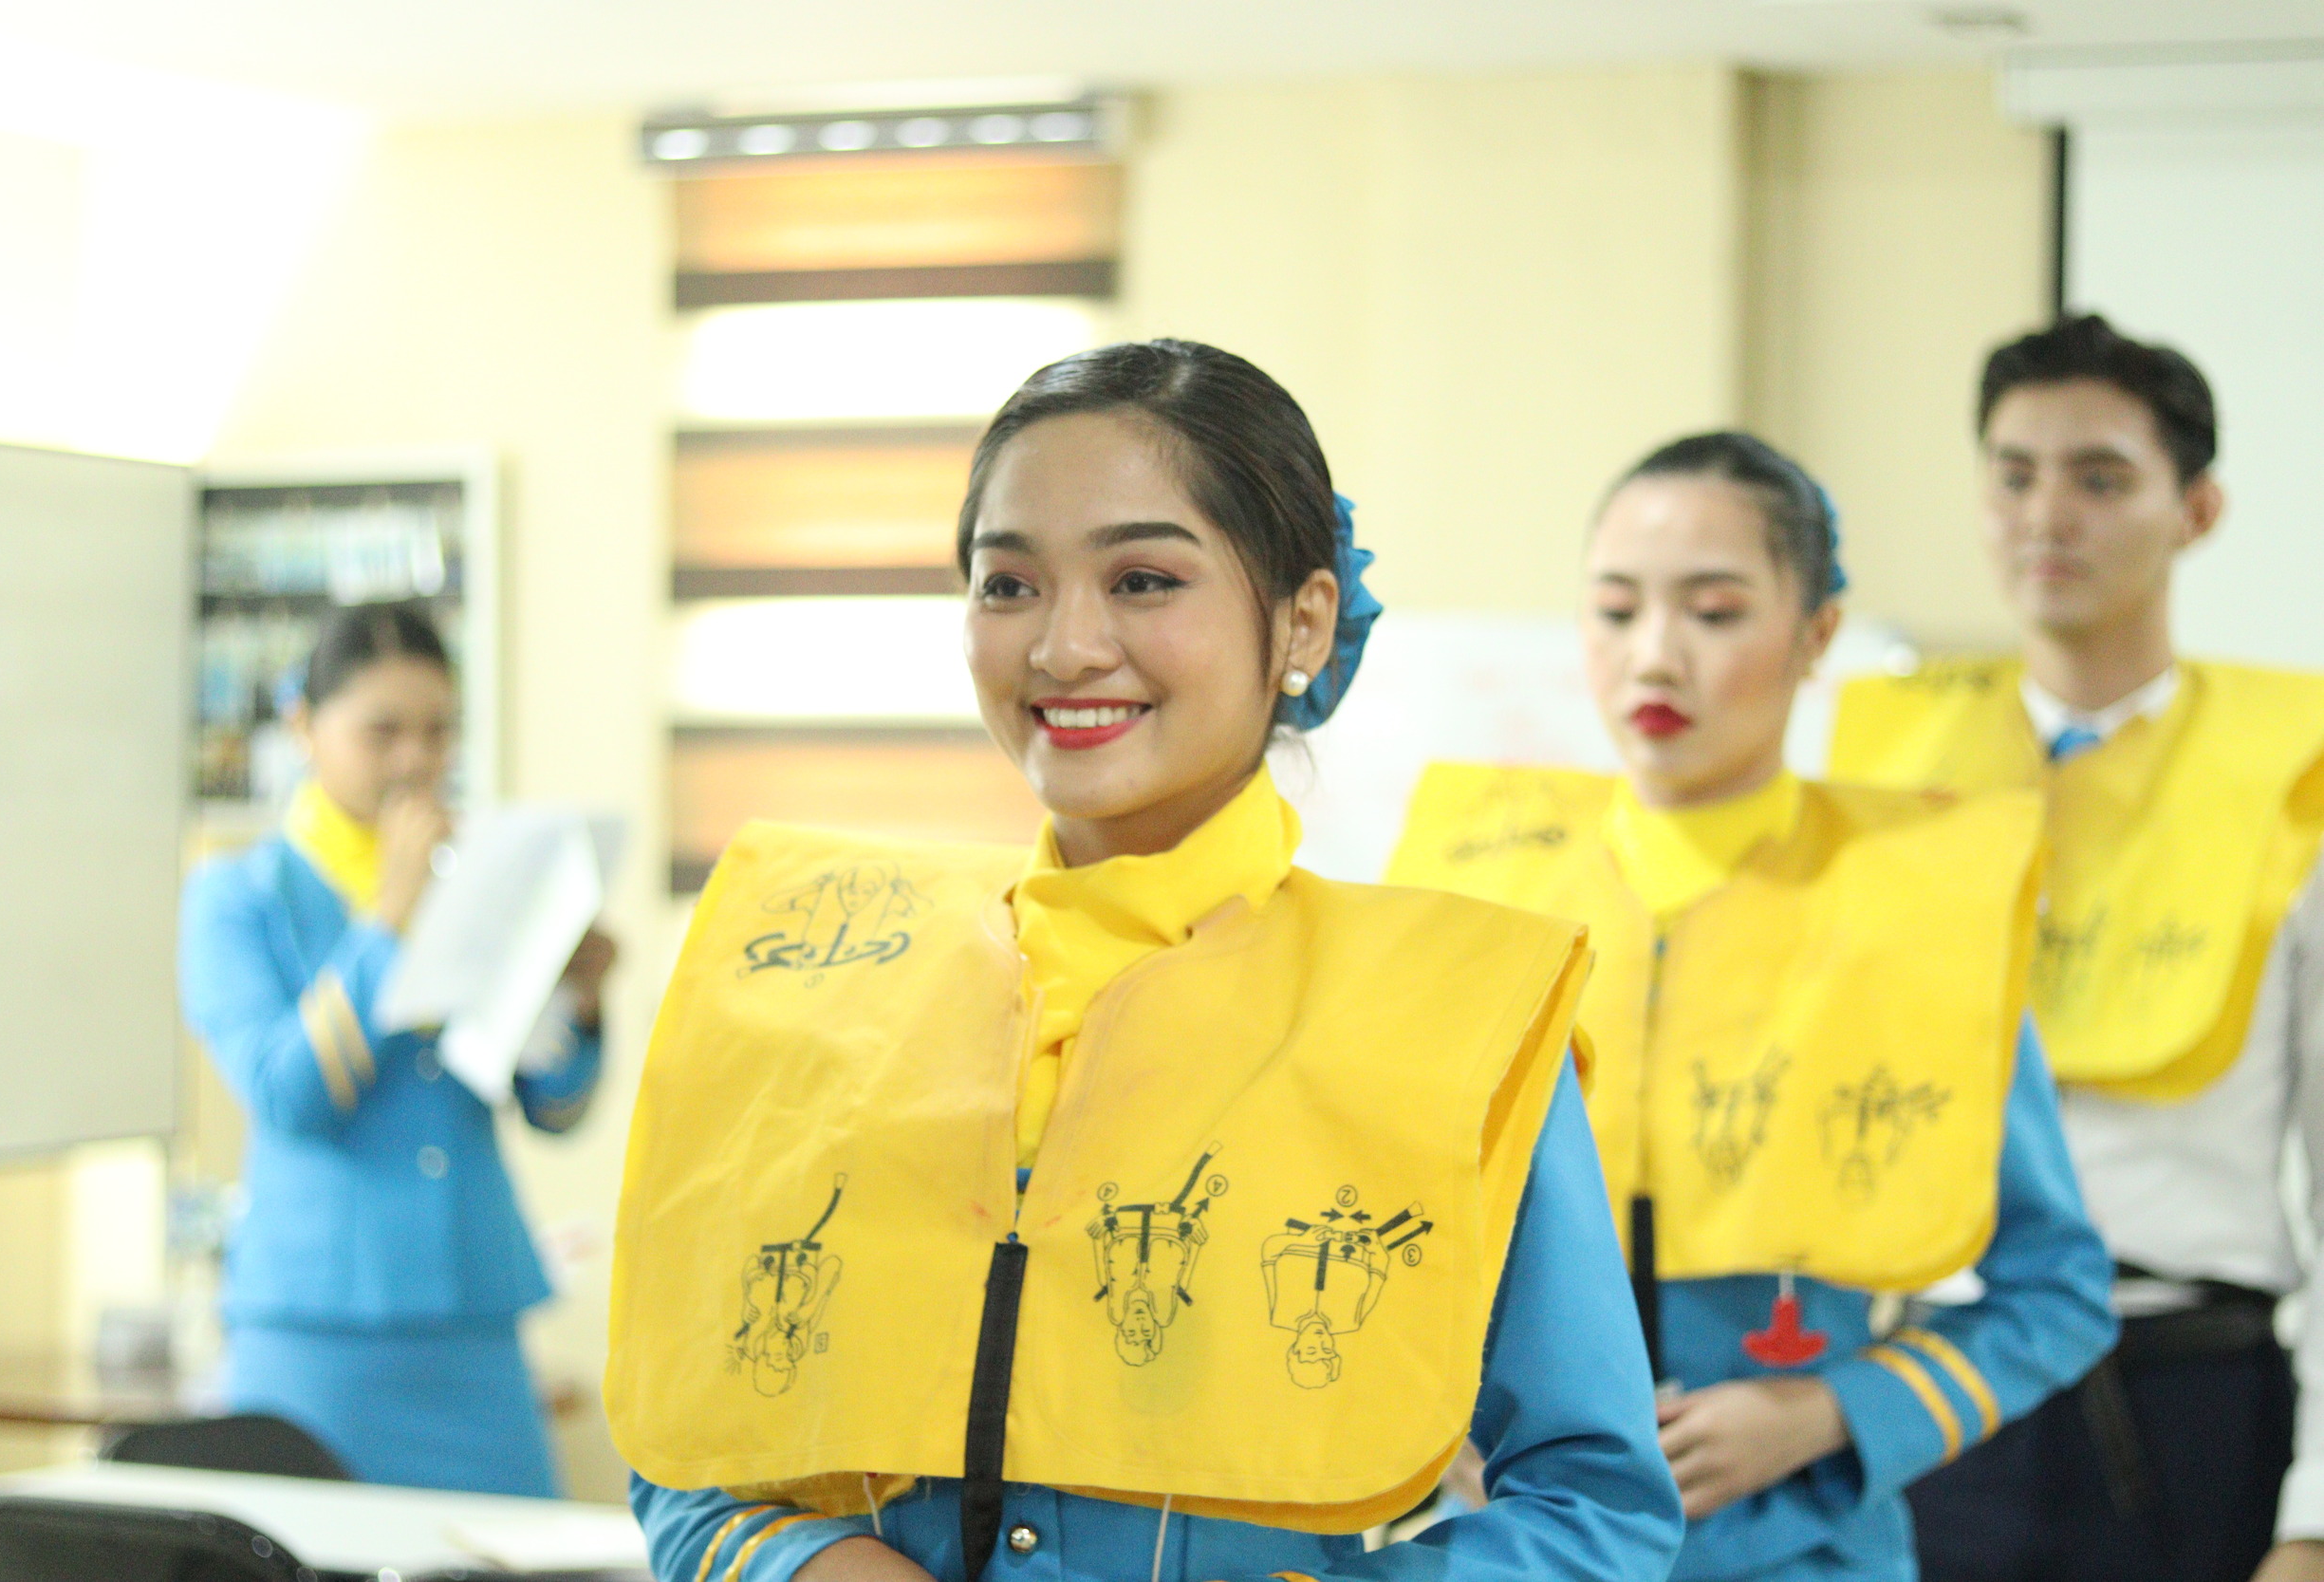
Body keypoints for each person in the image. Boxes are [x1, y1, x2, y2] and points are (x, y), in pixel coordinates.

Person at [607, 340, 1684, 1582]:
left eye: (1142, 579)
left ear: (1303, 619)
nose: (1065, 646)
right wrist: (805, 1563)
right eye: (1008, 584)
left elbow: (1595, 1505)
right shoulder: (827, 989)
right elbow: (689, 1428)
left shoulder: (1445, 1022)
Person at [1385, 432, 2116, 1579]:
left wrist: (1829, 1410)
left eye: (1715, 611)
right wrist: (1432, 1435)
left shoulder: (1920, 907)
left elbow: (2058, 1288)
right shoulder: (1472, 896)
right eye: (1614, 609)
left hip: (1805, 1550)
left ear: (1815, 632)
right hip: (1509, 1549)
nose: (1653, 656)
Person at [1830, 316, 2324, 1582]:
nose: (2047, 514)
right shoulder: (1883, 776)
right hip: (1929, 1384)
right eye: (2014, 474)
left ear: (2196, 509)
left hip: (2189, 1391)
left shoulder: (2289, 784)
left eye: (2100, 479)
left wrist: (2314, 1517)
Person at [179, 601, 614, 1496]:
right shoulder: (239, 894)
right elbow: (287, 1095)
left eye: (437, 731)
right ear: (304, 725)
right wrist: (387, 920)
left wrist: (579, 994)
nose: (415, 759)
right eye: (382, 732)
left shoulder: (474, 881)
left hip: (474, 1326)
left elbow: (552, 1104)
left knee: (520, 1552)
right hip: (313, 1339)